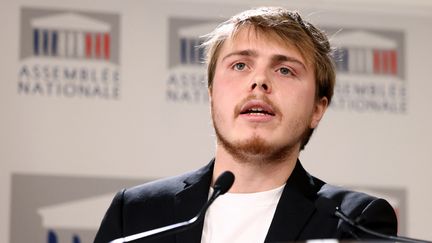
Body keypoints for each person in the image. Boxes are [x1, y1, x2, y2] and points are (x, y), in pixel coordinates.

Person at [94, 7, 397, 243]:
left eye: (285, 70)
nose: (259, 81)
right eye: (240, 65)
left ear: (317, 109)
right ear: (212, 94)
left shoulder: (354, 221)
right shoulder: (136, 211)